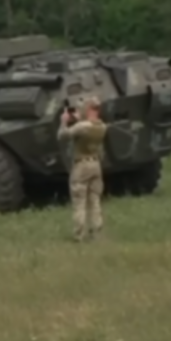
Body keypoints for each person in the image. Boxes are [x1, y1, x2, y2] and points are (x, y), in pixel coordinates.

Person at [58, 97, 107, 242]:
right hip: (96, 165)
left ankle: (78, 235)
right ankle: (96, 233)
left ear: (89, 108)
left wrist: (64, 121)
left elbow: (63, 136)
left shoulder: (81, 127)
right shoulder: (102, 126)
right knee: (95, 201)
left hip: (81, 166)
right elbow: (87, 128)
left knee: (79, 201)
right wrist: (79, 119)